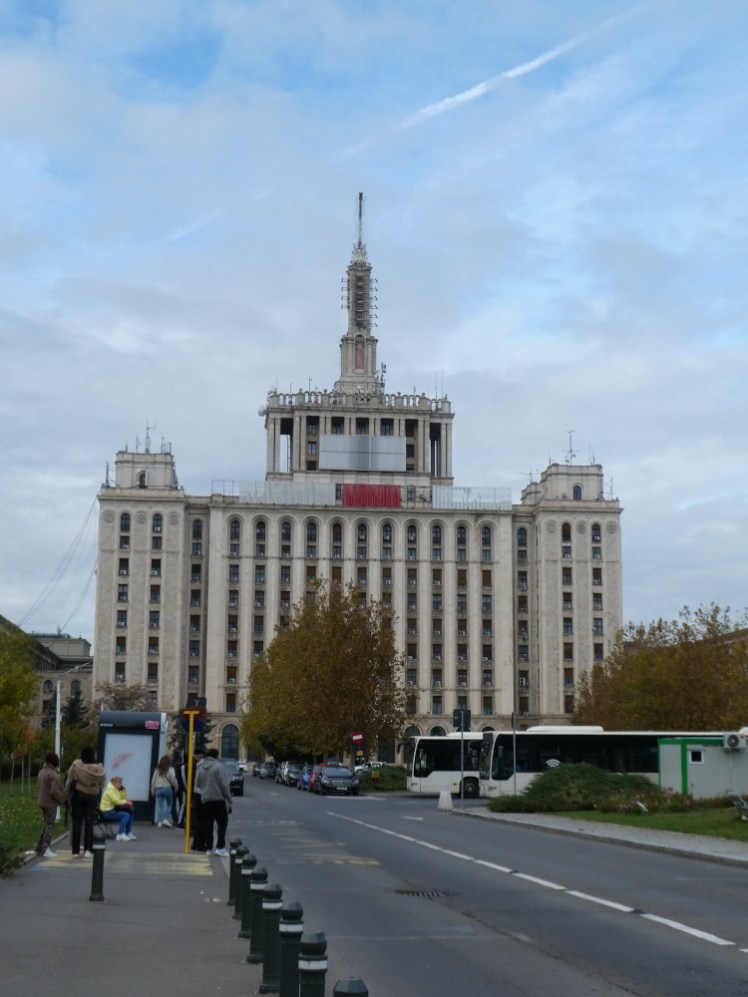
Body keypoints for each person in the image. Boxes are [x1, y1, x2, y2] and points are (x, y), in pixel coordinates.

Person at [65, 746, 105, 857]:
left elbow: (69, 780)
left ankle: (75, 851)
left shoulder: (76, 765)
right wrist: (96, 789)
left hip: (78, 795)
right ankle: (88, 850)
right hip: (92, 796)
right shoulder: (98, 768)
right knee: (89, 823)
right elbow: (102, 782)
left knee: (77, 822)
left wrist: (66, 796)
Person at [195, 748, 232, 856]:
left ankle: (209, 848)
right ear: (216, 756)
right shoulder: (218, 767)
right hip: (218, 799)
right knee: (222, 823)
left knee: (208, 825)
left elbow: (197, 783)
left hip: (205, 799)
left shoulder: (201, 767)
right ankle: (220, 847)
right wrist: (228, 797)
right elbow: (224, 784)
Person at [34, 752, 66, 858]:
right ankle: (45, 848)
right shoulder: (53, 774)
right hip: (50, 803)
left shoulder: (42, 772)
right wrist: (62, 800)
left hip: (41, 801)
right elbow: (55, 791)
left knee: (46, 823)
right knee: (50, 825)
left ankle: (39, 846)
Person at [99, 775, 137, 841]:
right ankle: (120, 834)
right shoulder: (110, 790)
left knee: (130, 812)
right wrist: (126, 802)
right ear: (114, 783)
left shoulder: (116, 789)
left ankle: (128, 832)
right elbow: (116, 801)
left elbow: (122, 798)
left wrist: (123, 790)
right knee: (125, 815)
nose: (120, 784)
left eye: (121, 782)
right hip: (107, 812)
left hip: (112, 810)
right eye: (118, 782)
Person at [151, 753, 178, 828]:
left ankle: (160, 821)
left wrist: (152, 791)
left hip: (159, 790)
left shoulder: (157, 770)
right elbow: (173, 780)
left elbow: (153, 781)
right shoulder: (171, 769)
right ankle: (165, 819)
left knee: (160, 806)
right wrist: (176, 788)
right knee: (169, 805)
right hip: (167, 789)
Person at [189, 749, 206, 851]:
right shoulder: (197, 767)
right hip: (198, 796)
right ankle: (197, 844)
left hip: (197, 796)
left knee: (199, 822)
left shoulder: (197, 767)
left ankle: (197, 844)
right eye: (198, 757)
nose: (200, 759)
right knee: (200, 823)